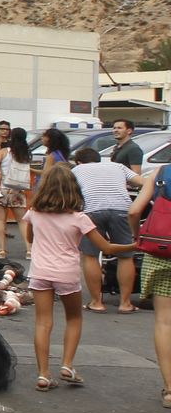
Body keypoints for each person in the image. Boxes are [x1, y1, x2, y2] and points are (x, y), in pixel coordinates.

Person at [23, 164, 137, 391]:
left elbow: (30, 238)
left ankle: (43, 374)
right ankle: (67, 365)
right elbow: (107, 247)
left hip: (40, 272)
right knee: (74, 318)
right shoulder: (79, 218)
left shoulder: (34, 213)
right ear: (74, 189)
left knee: (43, 322)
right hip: (66, 273)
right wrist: (135, 245)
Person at [71, 146, 143, 314]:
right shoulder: (118, 166)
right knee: (126, 255)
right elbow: (143, 182)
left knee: (90, 255)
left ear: (79, 162)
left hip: (92, 210)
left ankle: (96, 302)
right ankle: (125, 303)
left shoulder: (76, 170)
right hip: (122, 208)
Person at [126, 164, 171, 407]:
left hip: (161, 251)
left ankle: (170, 389)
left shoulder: (161, 172)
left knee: (165, 321)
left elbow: (134, 211)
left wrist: (137, 237)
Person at [0, 128, 34, 259]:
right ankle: (29, 250)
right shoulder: (26, 154)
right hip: (17, 189)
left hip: (0, 188)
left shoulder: (4, 151)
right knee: (22, 221)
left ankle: (2, 250)